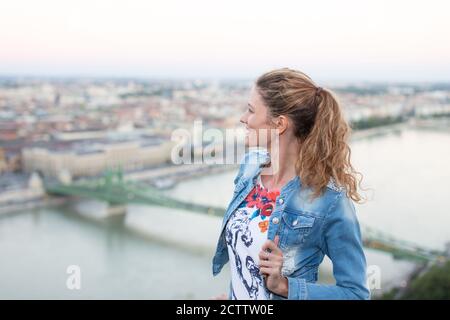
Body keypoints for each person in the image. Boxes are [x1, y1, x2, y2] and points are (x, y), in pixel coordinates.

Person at [211, 68, 370, 300]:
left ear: (279, 124)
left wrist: (284, 286)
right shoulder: (250, 167)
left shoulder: (328, 200)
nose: (243, 118)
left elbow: (355, 294)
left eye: (251, 110)